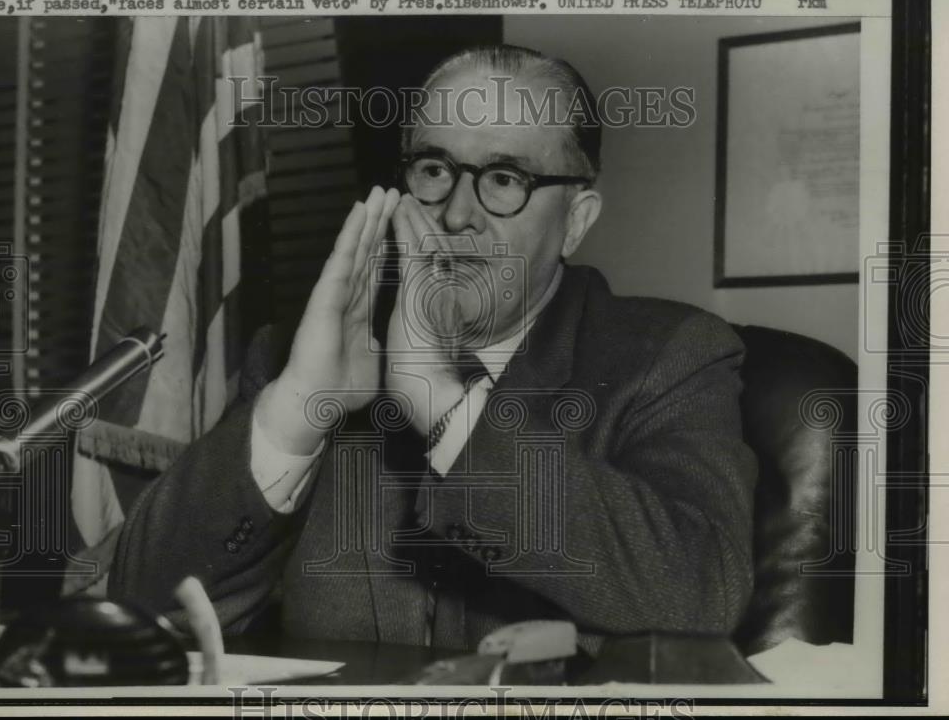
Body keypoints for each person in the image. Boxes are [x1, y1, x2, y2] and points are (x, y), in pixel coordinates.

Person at [109, 45, 757, 654]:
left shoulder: (668, 356)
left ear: (577, 220)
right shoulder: (306, 354)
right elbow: (139, 613)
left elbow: (703, 596)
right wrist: (301, 407)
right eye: (435, 169)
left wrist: (445, 409)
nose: (455, 216)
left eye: (505, 177)